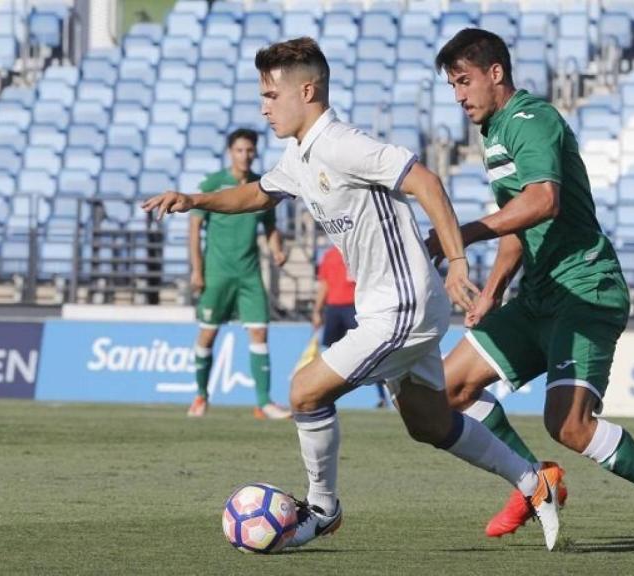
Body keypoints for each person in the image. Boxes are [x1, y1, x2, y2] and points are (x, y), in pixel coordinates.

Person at [143, 37, 566, 551]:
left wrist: (457, 262)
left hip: (405, 303)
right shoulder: (299, 154)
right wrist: (195, 199)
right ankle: (533, 481)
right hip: (387, 305)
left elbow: (427, 182)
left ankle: (323, 509)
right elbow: (258, 193)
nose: (264, 107)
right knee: (429, 424)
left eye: (271, 95)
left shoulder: (342, 144)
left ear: (307, 90)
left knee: (305, 391)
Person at [428, 28, 634, 556]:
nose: (459, 95)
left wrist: (457, 235)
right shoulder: (494, 131)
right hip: (539, 294)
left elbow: (543, 201)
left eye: (464, 81)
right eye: (452, 86)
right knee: (445, 389)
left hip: (585, 289)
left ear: (496, 73)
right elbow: (519, 222)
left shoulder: (531, 120)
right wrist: (493, 290)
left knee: (569, 425)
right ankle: (535, 479)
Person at [186, 128, 291, 420]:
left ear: (255, 153)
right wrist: (197, 270)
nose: (244, 156)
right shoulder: (213, 184)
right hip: (217, 274)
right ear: (230, 152)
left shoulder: (262, 185)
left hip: (249, 274)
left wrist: (276, 249)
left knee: (259, 331)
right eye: (239, 150)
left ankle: (264, 402)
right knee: (208, 335)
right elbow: (194, 229)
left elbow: (270, 226)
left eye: (249, 151)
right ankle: (201, 395)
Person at [312, 245, 387, 409]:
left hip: (355, 307)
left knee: (370, 351)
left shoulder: (355, 251)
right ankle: (324, 396)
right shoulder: (329, 255)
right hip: (333, 308)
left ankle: (382, 396)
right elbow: (324, 284)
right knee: (329, 355)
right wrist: (318, 310)